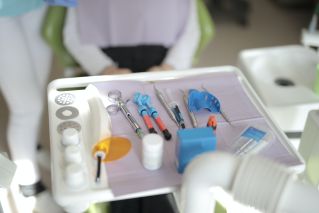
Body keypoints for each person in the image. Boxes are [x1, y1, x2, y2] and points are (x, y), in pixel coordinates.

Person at [0, 0, 62, 212]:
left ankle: (31, 148)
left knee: (38, 87)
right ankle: (29, 187)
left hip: (35, 4)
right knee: (27, 108)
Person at [63, 0, 200, 75]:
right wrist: (104, 69)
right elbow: (74, 34)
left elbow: (190, 32)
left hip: (162, 63)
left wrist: (169, 67)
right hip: (107, 63)